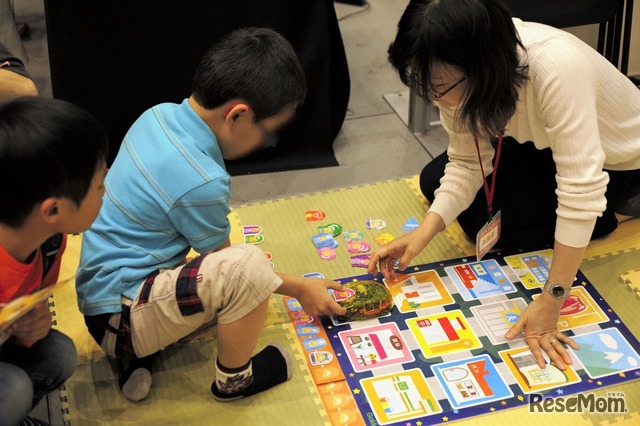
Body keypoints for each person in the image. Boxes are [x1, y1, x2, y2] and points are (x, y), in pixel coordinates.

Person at [76, 27, 347, 403]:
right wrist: (302, 287)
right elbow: (232, 268)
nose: (267, 144)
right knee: (248, 269)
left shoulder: (157, 115)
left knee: (230, 277)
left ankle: (137, 356)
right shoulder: (202, 181)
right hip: (120, 321)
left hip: (97, 294)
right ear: (238, 115)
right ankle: (234, 381)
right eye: (270, 134)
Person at [369, 0, 640, 371]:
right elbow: (466, 161)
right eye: (421, 84)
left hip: (622, 163)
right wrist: (422, 234)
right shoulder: (459, 75)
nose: (432, 98)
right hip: (548, 145)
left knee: (511, 228)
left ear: (481, 66)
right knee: (435, 181)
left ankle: (623, 209)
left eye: (439, 87)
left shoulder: (556, 66)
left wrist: (553, 298)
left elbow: (580, 189)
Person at [0, 97, 108, 426]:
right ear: (53, 210)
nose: (107, 191)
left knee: (58, 353)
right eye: (100, 186)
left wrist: (31, 327)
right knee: (15, 388)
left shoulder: (49, 241)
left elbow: (28, 317)